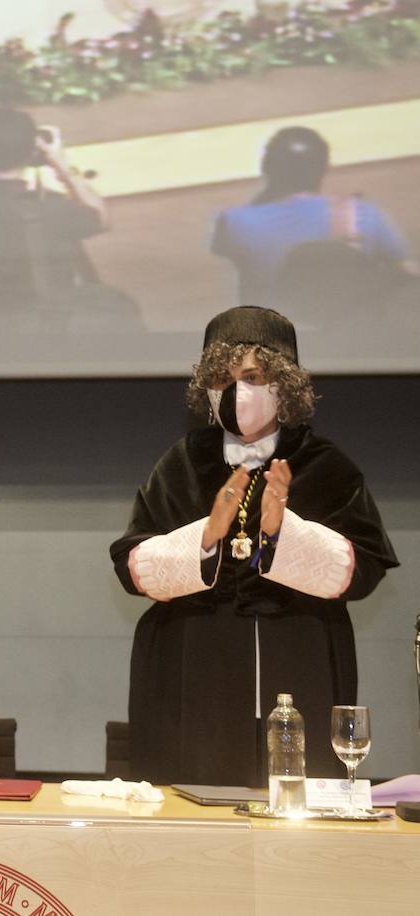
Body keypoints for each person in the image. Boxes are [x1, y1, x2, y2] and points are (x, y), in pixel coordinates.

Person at [110, 306, 398, 786]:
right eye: (222, 378)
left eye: (253, 376)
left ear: (284, 385)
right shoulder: (183, 461)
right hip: (194, 659)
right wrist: (206, 536)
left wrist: (283, 534)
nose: (238, 392)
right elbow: (132, 564)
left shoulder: (323, 464)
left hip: (299, 650)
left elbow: (364, 566)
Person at [0, 108, 124, 326]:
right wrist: (61, 165)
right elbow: (101, 219)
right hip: (44, 329)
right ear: (33, 152)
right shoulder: (54, 207)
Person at [211, 127, 414, 312]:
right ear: (323, 168)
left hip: (276, 339)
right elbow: (407, 271)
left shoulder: (233, 222)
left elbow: (228, 252)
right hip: (351, 337)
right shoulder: (362, 213)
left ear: (268, 167)